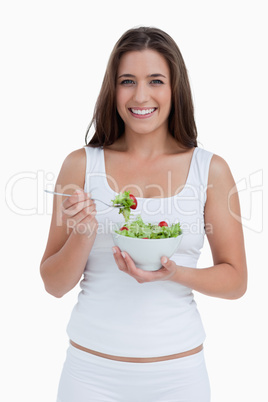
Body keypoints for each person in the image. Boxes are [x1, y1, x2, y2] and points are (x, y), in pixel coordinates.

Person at [40, 26, 247, 402]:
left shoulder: (210, 170)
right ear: (113, 89)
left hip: (179, 378)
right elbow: (53, 285)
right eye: (127, 81)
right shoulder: (81, 165)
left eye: (155, 80)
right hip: (90, 376)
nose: (140, 95)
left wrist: (174, 273)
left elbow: (236, 281)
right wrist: (84, 232)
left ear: (174, 88)